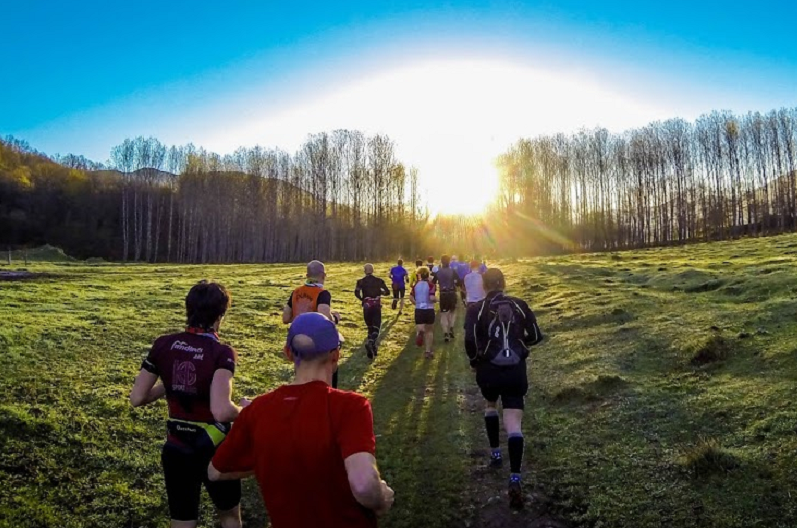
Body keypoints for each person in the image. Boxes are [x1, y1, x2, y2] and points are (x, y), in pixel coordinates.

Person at [208, 313, 395, 528]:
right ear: (335, 356)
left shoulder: (257, 410)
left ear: (288, 353)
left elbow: (216, 471)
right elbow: (363, 486)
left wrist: (266, 460)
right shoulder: (351, 407)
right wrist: (381, 498)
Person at [130, 280, 246, 528]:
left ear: (188, 309)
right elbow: (221, 410)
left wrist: (172, 381)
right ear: (221, 315)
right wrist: (246, 410)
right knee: (229, 515)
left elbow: (137, 398)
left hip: (177, 447)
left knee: (182, 520)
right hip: (215, 446)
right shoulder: (222, 352)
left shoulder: (163, 344)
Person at [464, 268, 544, 510]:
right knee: (514, 423)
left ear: (484, 285)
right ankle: (515, 477)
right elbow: (536, 335)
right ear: (504, 283)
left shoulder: (476, 309)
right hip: (515, 370)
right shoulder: (519, 304)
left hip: (488, 369)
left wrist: (474, 361)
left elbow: (470, 340)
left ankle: (496, 454)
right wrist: (519, 345)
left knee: (490, 405)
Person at [283, 260, 342, 388]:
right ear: (323, 275)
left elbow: (285, 318)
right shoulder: (322, 293)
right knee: (327, 370)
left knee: (302, 373)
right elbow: (325, 316)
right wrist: (336, 318)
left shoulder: (296, 292)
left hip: (297, 340)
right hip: (316, 339)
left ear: (307, 275)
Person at [355, 264, 390, 359]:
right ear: (373, 270)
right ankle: (370, 343)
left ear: (364, 271)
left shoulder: (360, 282)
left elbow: (356, 293)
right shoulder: (379, 281)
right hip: (376, 306)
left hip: (367, 306)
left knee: (370, 328)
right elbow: (387, 292)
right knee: (376, 328)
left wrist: (362, 299)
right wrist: (380, 292)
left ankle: (373, 349)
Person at [409, 266, 437, 359]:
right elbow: (431, 298)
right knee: (429, 331)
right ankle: (428, 351)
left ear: (419, 275)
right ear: (428, 275)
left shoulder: (416, 285)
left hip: (419, 309)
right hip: (429, 309)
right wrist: (436, 300)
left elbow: (411, 297)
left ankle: (420, 333)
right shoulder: (431, 285)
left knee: (420, 327)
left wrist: (416, 303)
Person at [433, 255, 461, 343]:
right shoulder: (453, 271)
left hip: (443, 294)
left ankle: (445, 333)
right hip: (452, 293)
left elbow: (433, 283)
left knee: (443, 314)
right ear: (449, 262)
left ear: (441, 262)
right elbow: (458, 283)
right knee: (453, 312)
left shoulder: (438, 272)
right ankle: (451, 327)